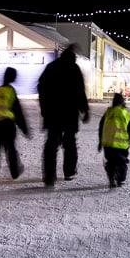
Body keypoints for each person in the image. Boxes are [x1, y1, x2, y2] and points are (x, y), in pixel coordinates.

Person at [37, 44, 90, 187]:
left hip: (53, 114)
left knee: (51, 145)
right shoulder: (74, 69)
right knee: (70, 144)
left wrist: (44, 109)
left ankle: (49, 176)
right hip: (69, 114)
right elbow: (80, 91)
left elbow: (41, 88)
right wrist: (85, 110)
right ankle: (69, 172)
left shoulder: (51, 67)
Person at [0, 67, 29, 186]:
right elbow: (18, 112)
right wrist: (25, 129)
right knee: (11, 149)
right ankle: (15, 172)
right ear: (13, 77)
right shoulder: (11, 91)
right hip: (7, 124)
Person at [98, 93, 130, 187]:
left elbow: (101, 128)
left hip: (108, 144)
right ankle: (121, 179)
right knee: (122, 162)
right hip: (122, 144)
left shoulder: (107, 113)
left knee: (110, 162)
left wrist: (100, 142)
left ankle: (111, 177)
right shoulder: (127, 114)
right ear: (123, 102)